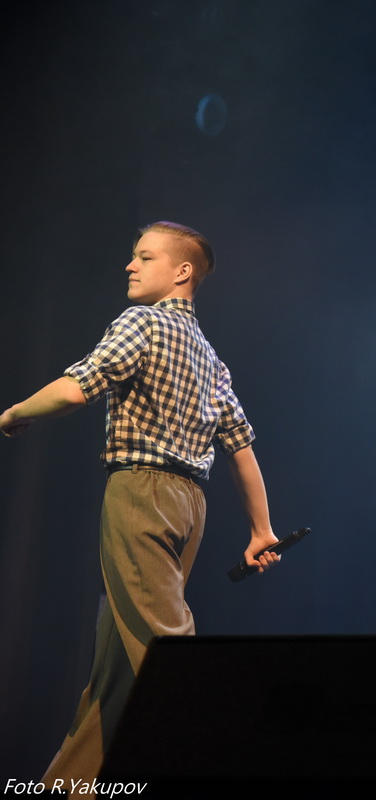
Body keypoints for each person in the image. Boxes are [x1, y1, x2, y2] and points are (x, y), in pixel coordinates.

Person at [0, 221, 280, 795]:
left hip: (143, 494)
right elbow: (242, 449)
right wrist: (261, 529)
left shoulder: (142, 322)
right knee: (117, 675)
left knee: (163, 647)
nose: (130, 265)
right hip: (190, 506)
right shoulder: (211, 357)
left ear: (182, 272)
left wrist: (13, 413)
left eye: (144, 257)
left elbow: (76, 388)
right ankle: (69, 787)